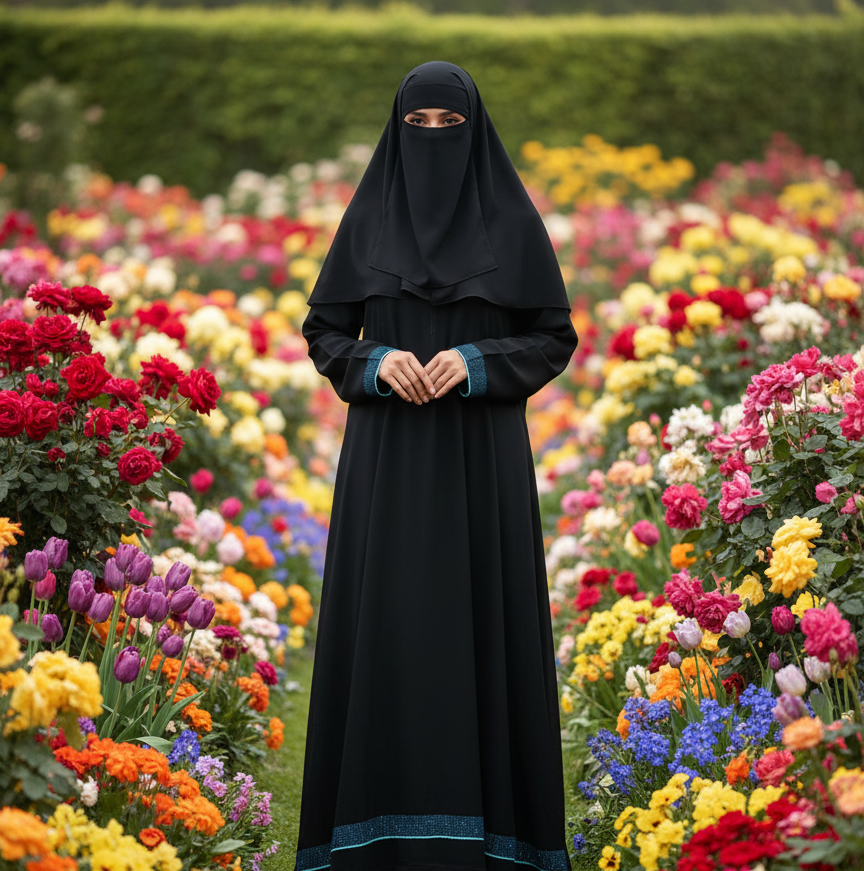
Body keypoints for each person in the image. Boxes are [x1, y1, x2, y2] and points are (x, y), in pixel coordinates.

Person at [294, 60, 578, 871]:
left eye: (446, 126)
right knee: (386, 634)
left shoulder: (511, 225)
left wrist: (477, 360)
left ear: (473, 131)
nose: (430, 141)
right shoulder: (368, 221)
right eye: (415, 126)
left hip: (479, 469)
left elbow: (553, 335)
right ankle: (372, 833)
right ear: (396, 130)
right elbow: (324, 331)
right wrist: (374, 362)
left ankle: (496, 842)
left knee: (478, 633)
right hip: (386, 471)